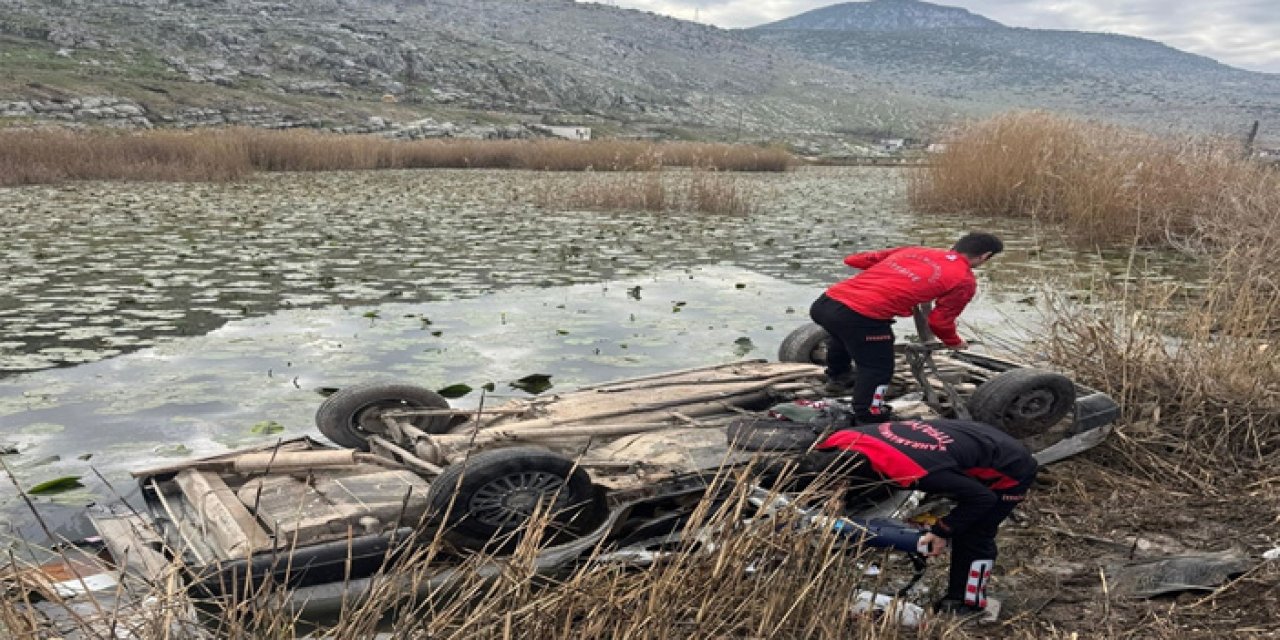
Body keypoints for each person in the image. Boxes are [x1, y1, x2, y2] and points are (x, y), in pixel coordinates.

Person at [806, 418, 1038, 614]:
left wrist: (941, 530)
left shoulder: (916, 471)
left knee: (975, 534)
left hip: (1009, 468)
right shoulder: (841, 439)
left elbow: (982, 499)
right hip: (968, 438)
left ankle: (968, 602)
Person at [810, 232, 1003, 425]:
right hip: (860, 316)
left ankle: (838, 378)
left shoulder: (915, 251)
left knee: (841, 337)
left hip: (825, 303)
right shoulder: (964, 280)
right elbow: (940, 322)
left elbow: (854, 260)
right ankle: (869, 414)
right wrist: (954, 342)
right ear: (985, 256)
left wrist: (897, 273)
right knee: (877, 368)